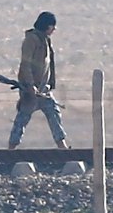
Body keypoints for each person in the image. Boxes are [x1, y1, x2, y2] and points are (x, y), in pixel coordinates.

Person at [8, 11, 70, 149]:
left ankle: (63, 148)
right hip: (31, 91)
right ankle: (10, 151)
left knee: (54, 115)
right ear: (46, 26)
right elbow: (26, 64)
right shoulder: (31, 40)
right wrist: (30, 85)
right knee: (22, 120)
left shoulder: (45, 40)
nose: (54, 29)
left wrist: (48, 85)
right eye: (52, 26)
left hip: (43, 90)